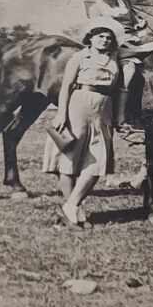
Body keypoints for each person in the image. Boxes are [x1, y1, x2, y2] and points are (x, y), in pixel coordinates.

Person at [52, 21, 122, 226]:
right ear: (90, 38)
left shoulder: (114, 58)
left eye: (109, 37)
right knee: (70, 158)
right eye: (100, 36)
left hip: (104, 108)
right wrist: (61, 114)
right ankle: (74, 210)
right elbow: (66, 86)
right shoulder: (80, 57)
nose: (105, 40)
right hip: (80, 103)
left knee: (98, 161)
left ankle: (70, 206)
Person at [85, 0, 153, 129]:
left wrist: (140, 24)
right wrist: (118, 33)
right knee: (129, 69)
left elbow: (134, 21)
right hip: (111, 43)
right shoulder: (96, 8)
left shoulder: (125, 3)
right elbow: (98, 30)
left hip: (133, 40)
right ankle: (120, 118)